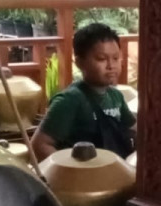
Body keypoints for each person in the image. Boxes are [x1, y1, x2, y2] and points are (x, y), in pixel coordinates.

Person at [31, 22, 135, 159]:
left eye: (115, 58)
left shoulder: (116, 96)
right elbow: (39, 145)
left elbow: (134, 129)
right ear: (80, 63)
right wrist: (71, 172)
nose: (111, 66)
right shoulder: (69, 100)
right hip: (83, 175)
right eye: (101, 59)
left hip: (113, 172)